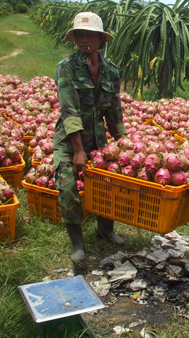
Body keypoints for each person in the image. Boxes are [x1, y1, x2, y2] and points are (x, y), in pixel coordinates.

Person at [53, 12, 127, 261]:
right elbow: (69, 109)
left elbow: (115, 110)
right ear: (75, 39)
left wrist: (121, 147)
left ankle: (106, 230)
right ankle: (77, 245)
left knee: (107, 186)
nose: (85, 40)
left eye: (90, 35)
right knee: (67, 188)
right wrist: (78, 150)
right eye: (80, 35)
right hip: (69, 140)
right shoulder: (66, 68)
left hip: (97, 140)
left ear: (100, 39)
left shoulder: (110, 70)